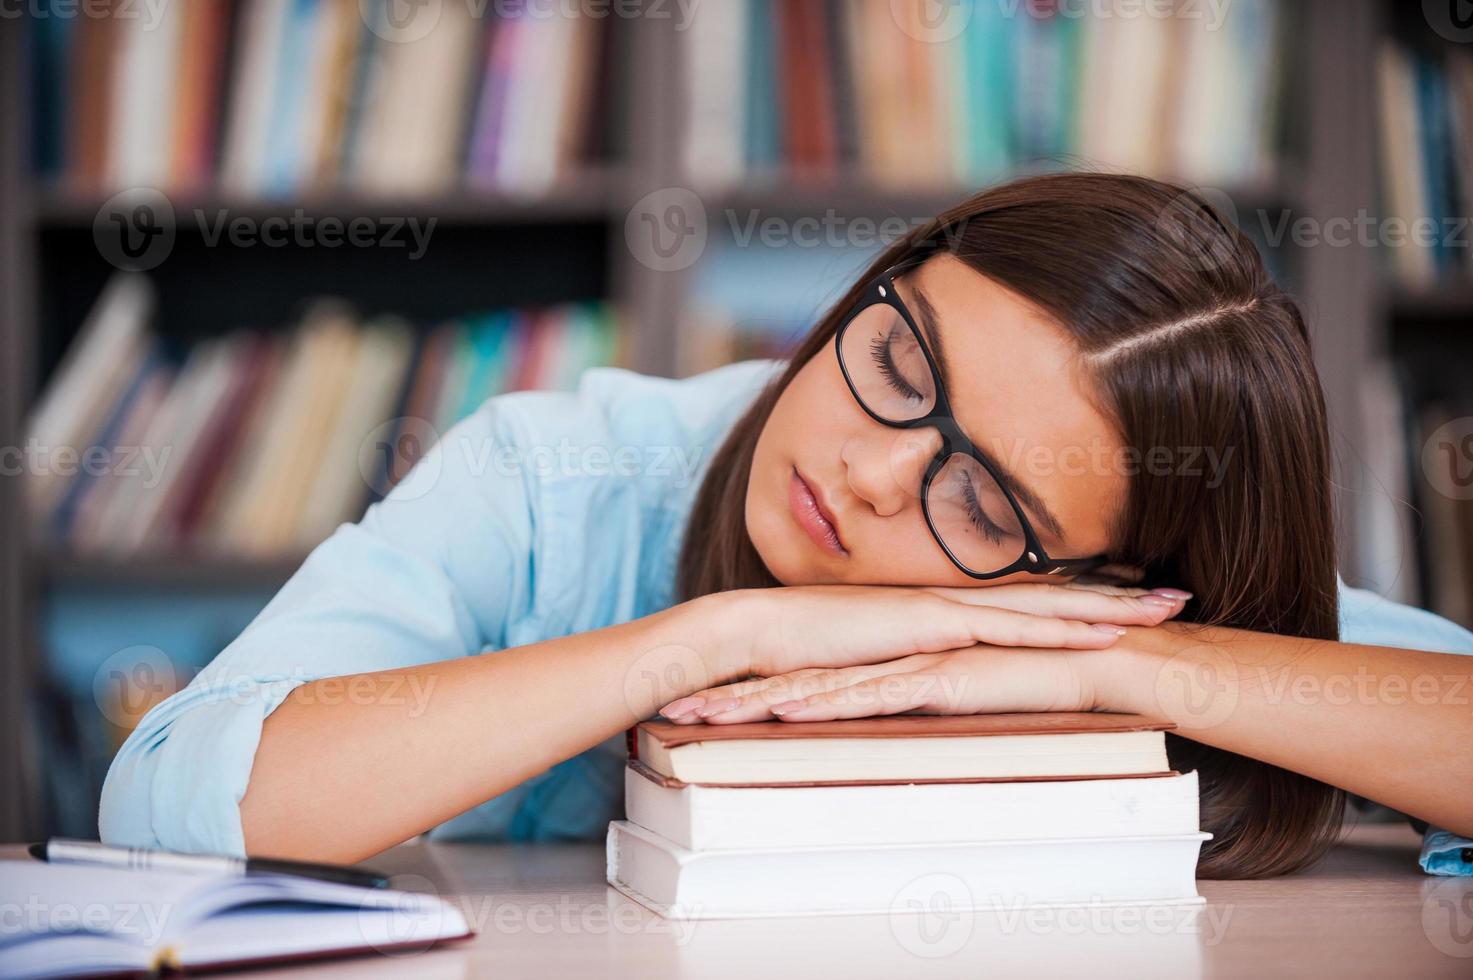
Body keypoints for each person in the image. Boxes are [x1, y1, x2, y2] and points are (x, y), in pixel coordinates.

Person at [100, 173, 1473, 878]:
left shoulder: (1102, 617)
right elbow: (172, 806)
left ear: (1101, 573)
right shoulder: (565, 477)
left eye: (983, 500)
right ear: (872, 286)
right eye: (894, 365)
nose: (871, 471)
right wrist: (713, 637)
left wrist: (1129, 667)